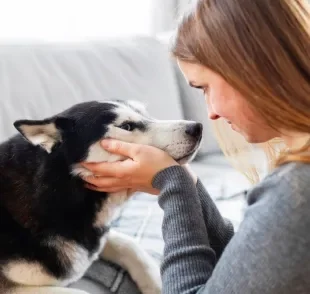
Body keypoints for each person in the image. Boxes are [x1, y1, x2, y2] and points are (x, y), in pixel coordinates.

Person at [82, 0, 310, 293]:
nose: (211, 112)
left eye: (205, 87)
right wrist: (188, 185)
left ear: (249, 68)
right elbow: (250, 271)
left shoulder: (295, 190)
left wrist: (173, 186)